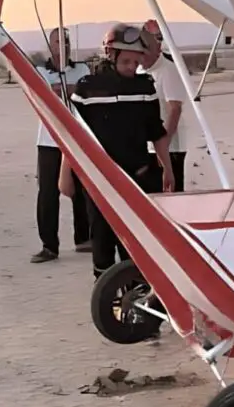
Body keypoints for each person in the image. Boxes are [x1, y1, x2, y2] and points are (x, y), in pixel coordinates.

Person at [60, 24, 173, 278]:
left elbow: (157, 132)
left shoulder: (145, 87)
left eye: (136, 61)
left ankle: (137, 296)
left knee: (137, 241)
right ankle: (107, 295)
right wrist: (65, 174)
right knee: (102, 240)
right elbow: (73, 135)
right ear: (110, 54)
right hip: (99, 181)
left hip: (139, 176)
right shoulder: (87, 88)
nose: (132, 67)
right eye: (127, 61)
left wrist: (167, 167)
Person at [31, 28, 91, 263]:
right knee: (48, 192)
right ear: (50, 45)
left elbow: (83, 93)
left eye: (65, 40)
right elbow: (45, 96)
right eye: (57, 41)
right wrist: (66, 90)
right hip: (49, 139)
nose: (62, 45)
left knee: (82, 189)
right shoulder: (40, 71)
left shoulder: (82, 69)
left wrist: (64, 90)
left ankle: (83, 238)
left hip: (78, 136)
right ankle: (49, 245)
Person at [140, 19, 189, 192]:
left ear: (158, 48)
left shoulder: (168, 70)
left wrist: (164, 149)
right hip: (148, 148)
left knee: (170, 196)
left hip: (170, 148)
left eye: (147, 49)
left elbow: (174, 109)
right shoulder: (139, 71)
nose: (143, 54)